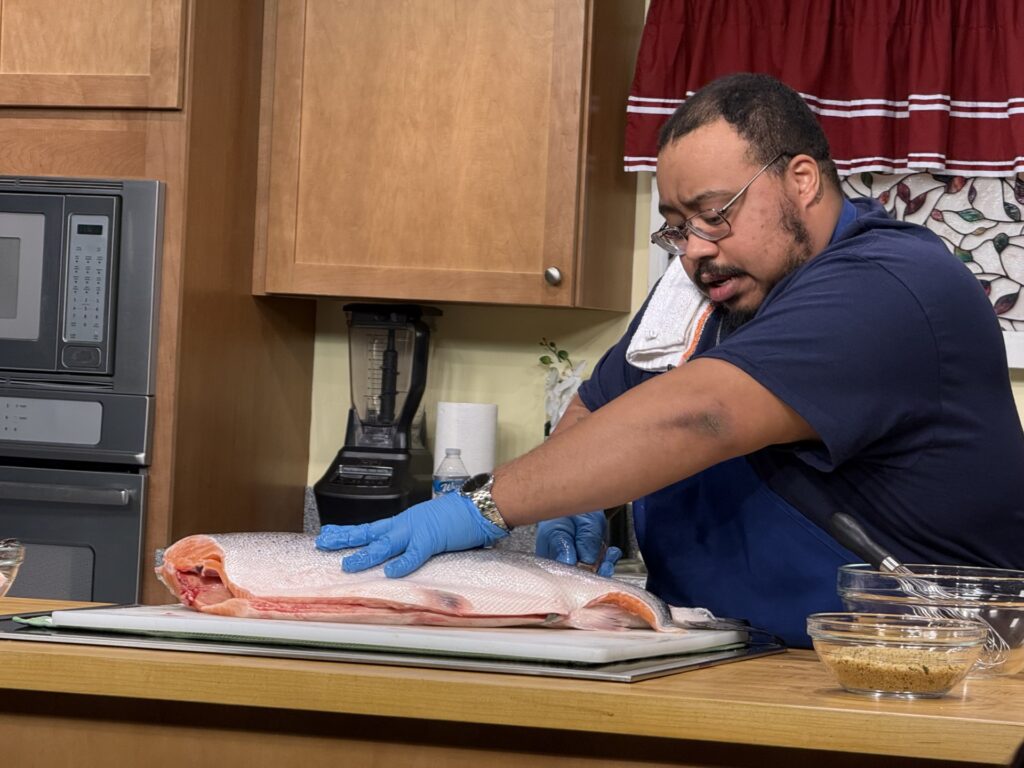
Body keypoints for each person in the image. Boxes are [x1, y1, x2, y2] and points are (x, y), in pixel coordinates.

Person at [317, 73, 1024, 647]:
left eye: (716, 213)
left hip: (912, 673)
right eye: (677, 226)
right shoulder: (710, 282)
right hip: (732, 654)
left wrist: (480, 506)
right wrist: (583, 493)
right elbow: (603, 403)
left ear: (802, 179)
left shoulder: (891, 285)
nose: (693, 248)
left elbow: (702, 414)